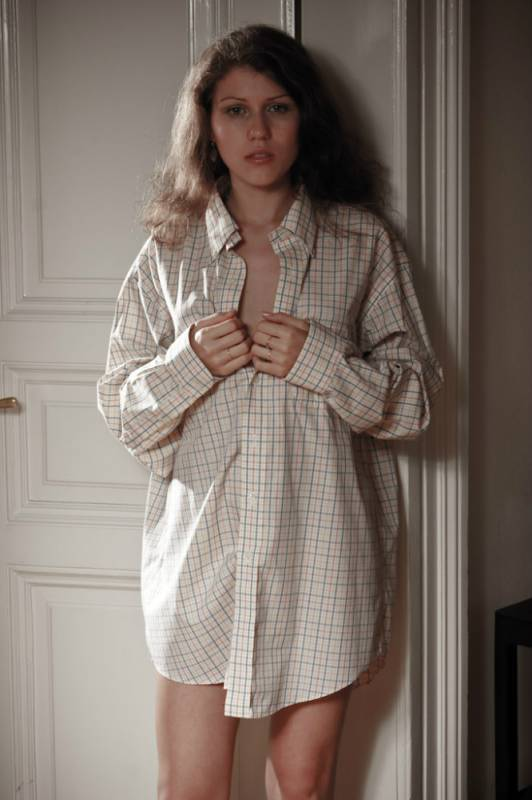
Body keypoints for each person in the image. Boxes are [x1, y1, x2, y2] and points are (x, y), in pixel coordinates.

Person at [96, 23, 444, 800]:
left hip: (322, 561)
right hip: (201, 565)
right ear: (208, 127)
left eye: (277, 107)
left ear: (304, 118)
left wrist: (321, 362)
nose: (257, 130)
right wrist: (188, 363)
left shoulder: (362, 244)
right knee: (190, 790)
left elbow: (416, 401)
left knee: (303, 787)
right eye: (235, 110)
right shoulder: (169, 250)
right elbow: (123, 411)